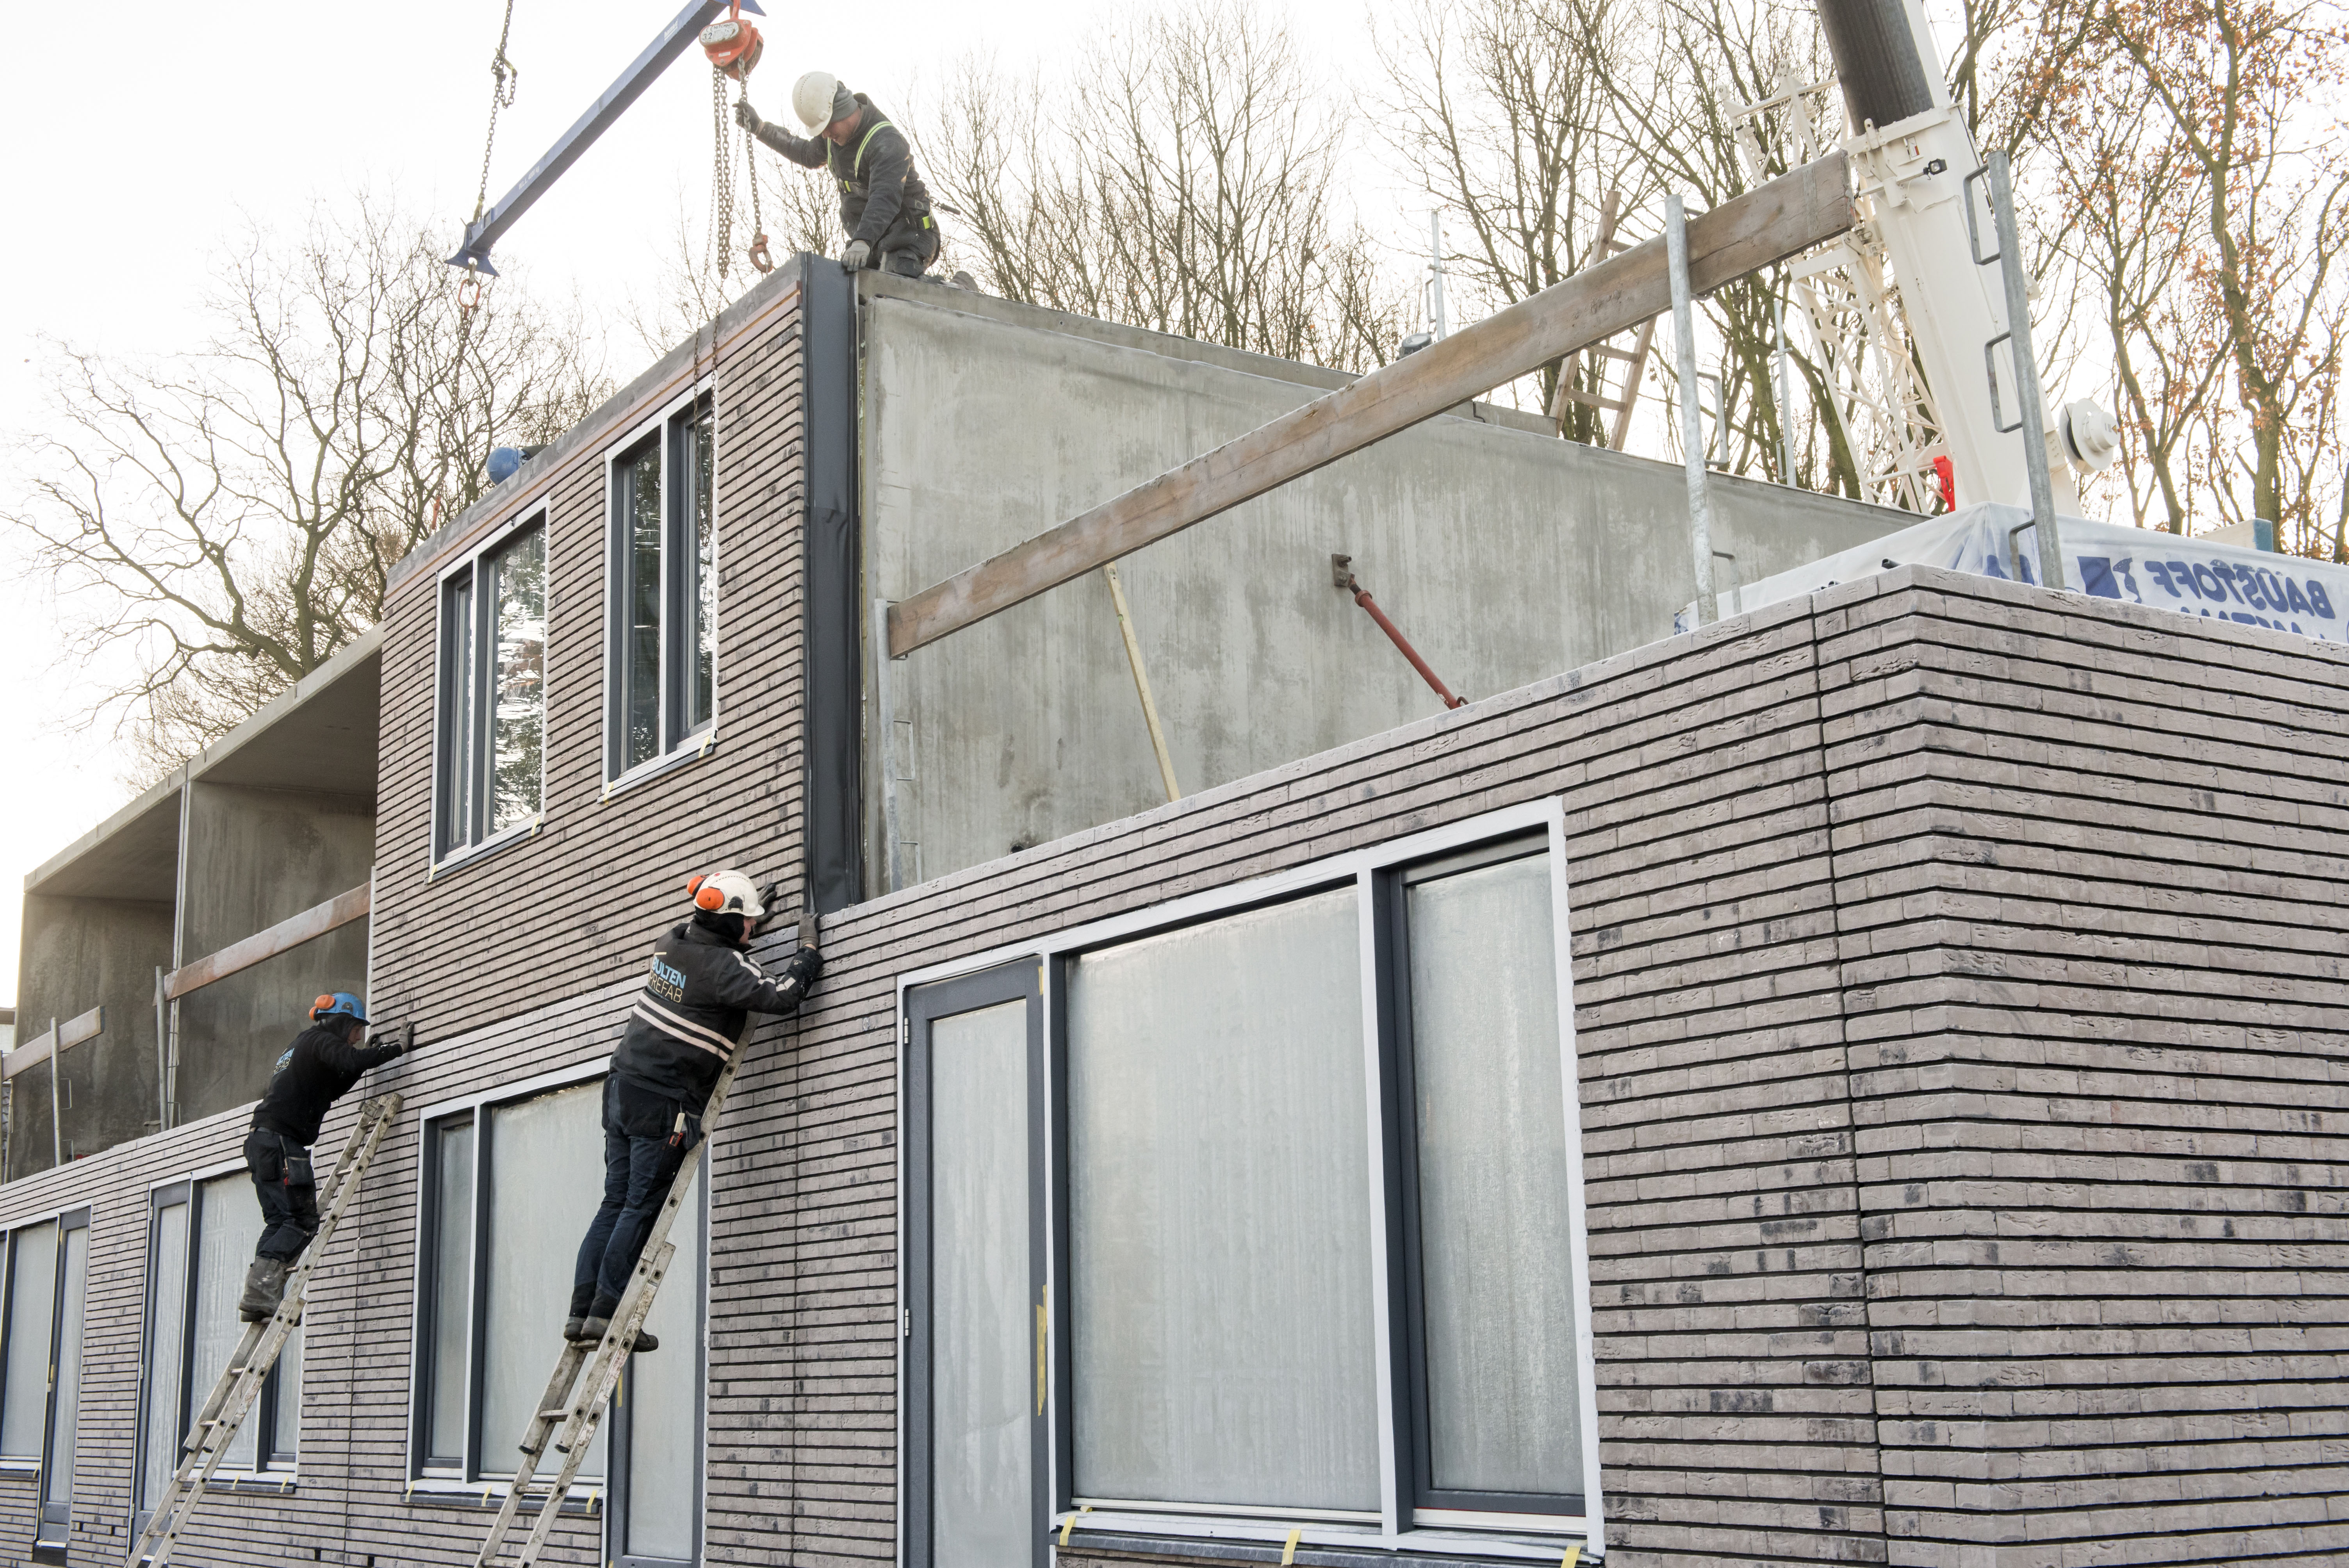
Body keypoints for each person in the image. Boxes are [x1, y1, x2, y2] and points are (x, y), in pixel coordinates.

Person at [567, 870, 823, 1350]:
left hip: (621, 1088)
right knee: (640, 1206)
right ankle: (608, 1312)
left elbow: (713, 955)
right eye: (747, 921)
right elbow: (781, 995)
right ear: (728, 923)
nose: (752, 926)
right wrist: (807, 952)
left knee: (614, 1201)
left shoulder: (672, 942)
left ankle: (583, 1311)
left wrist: (747, 927)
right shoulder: (723, 968)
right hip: (662, 1100)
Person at [239, 992, 408, 1320]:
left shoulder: (303, 1046)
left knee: (279, 1221)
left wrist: (365, 1058)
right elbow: (351, 1061)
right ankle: (261, 1291)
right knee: (302, 1222)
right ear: (342, 1022)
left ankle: (257, 1298)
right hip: (282, 1142)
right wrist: (396, 1049)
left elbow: (335, 1086)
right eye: (356, 1030)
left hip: (263, 1142)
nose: (357, 1038)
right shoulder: (320, 1040)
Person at [736, 70, 941, 277]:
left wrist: (862, 241)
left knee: (892, 286)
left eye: (827, 126)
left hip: (911, 237)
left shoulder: (887, 143)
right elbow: (807, 154)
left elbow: (885, 198)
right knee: (846, 287)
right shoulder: (832, 137)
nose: (825, 135)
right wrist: (760, 129)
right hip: (873, 239)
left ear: (842, 110)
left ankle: (951, 288)